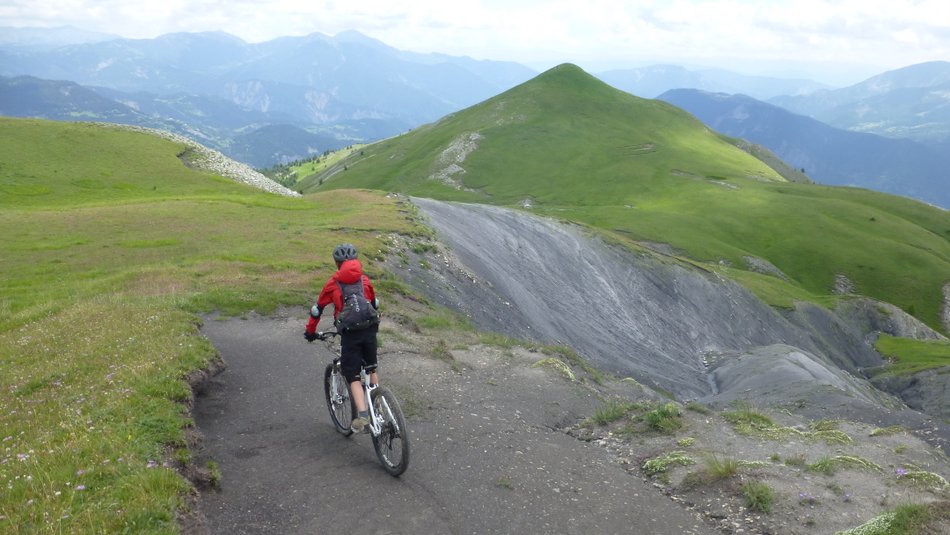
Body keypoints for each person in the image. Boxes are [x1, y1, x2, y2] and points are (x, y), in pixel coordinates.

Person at [304, 243, 380, 433]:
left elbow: (317, 310)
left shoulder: (333, 283)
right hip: (370, 328)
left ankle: (363, 417)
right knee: (371, 366)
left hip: (350, 332)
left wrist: (310, 331)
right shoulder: (364, 280)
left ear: (337, 264)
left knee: (352, 374)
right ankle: (378, 402)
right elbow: (373, 303)